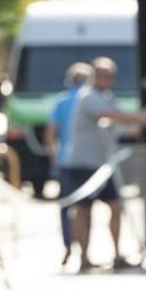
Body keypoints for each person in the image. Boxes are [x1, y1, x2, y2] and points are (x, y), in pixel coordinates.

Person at [57, 57, 146, 272]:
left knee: (115, 207)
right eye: (102, 75)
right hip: (82, 163)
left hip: (102, 164)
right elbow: (111, 116)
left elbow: (118, 125)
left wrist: (135, 128)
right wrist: (141, 118)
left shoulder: (107, 97)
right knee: (83, 210)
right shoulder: (88, 97)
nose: (107, 79)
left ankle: (116, 256)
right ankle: (83, 258)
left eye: (110, 76)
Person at [44, 61, 94, 266]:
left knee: (67, 207)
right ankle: (84, 252)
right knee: (85, 208)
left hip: (65, 160)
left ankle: (68, 246)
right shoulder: (90, 99)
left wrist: (54, 156)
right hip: (87, 160)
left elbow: (51, 132)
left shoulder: (61, 100)